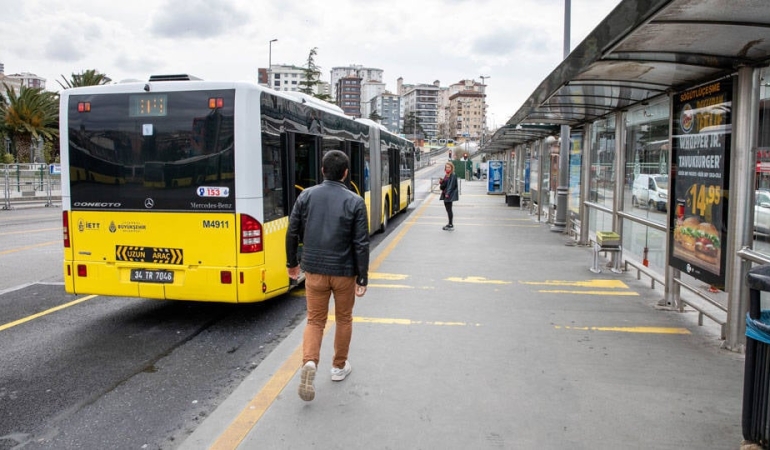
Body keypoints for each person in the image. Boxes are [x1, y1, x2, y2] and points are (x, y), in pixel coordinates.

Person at [286, 150, 369, 402]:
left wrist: (292, 263)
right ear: (345, 174)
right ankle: (338, 366)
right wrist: (362, 277)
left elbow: (292, 231)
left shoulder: (306, 196)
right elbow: (361, 243)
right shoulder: (355, 201)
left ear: (322, 170)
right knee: (343, 319)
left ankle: (309, 362)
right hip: (344, 272)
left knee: (314, 320)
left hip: (314, 271)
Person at [439, 161, 459, 230]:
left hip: (449, 195)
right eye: (446, 167)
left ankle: (451, 224)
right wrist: (441, 182)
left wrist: (447, 193)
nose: (447, 168)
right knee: (448, 210)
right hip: (445, 194)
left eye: (449, 167)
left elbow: (451, 186)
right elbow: (443, 186)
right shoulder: (446, 175)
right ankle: (449, 223)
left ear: (451, 168)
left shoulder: (452, 175)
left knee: (449, 209)